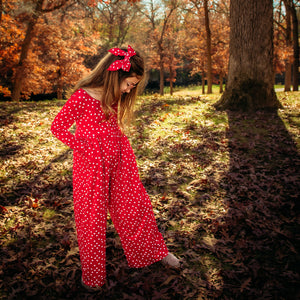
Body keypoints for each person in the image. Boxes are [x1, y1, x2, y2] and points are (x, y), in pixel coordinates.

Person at [51, 45, 180, 291]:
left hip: (121, 158)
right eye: (130, 83)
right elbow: (57, 127)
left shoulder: (114, 95)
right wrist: (84, 147)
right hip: (91, 165)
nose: (130, 89)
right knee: (92, 218)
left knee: (135, 204)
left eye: (133, 85)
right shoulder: (82, 96)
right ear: (115, 75)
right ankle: (93, 276)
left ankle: (154, 251)